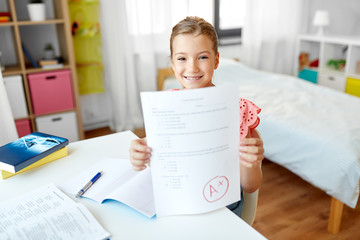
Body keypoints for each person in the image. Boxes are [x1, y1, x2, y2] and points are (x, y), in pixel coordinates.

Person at [129, 16, 264, 218]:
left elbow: (251, 187)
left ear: (216, 60)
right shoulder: (166, 107)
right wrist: (139, 152)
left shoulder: (237, 110)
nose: (192, 68)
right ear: (173, 64)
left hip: (222, 209)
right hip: (178, 203)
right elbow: (159, 157)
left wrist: (252, 164)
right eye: (182, 58)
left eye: (202, 57)